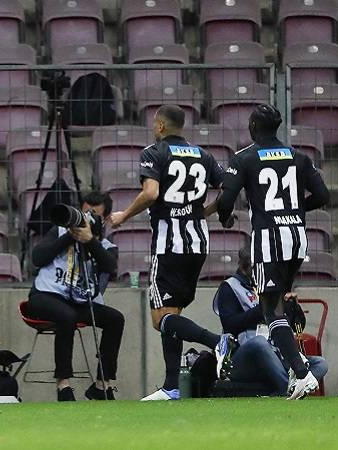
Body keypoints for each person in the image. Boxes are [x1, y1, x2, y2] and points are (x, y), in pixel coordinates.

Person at [108, 105, 235, 401]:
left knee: (158, 318)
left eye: (155, 124)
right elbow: (228, 189)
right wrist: (207, 211)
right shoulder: (204, 156)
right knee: (172, 314)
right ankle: (171, 386)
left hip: (169, 244)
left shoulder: (154, 153)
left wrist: (123, 215)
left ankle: (217, 342)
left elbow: (151, 193)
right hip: (198, 243)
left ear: (162, 126)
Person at [216, 104, 330, 399]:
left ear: (253, 127)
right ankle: (296, 364)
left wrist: (225, 218)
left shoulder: (245, 158)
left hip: (269, 240)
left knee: (270, 308)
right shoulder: (299, 156)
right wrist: (294, 211)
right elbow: (323, 195)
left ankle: (302, 373)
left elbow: (225, 199)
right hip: (296, 238)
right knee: (278, 301)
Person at [27, 192, 124, 401]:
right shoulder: (60, 231)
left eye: (93, 214)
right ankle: (63, 385)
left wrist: (90, 241)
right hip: (46, 294)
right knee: (67, 316)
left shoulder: (107, 246)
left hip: (78, 300)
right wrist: (69, 237)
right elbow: (37, 258)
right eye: (85, 211)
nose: (86, 217)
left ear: (105, 218)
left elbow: (109, 266)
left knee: (116, 319)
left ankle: (101, 385)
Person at [213, 246, 328, 395]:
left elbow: (298, 326)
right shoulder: (229, 287)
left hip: (276, 353)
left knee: (320, 363)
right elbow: (230, 324)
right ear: (247, 266)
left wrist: (292, 307)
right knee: (259, 342)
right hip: (244, 357)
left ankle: (283, 390)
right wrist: (264, 308)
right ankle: (288, 389)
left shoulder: (272, 285)